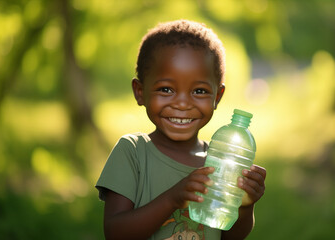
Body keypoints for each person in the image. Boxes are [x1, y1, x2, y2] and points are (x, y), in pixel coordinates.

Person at [96, 19, 266, 240]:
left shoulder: (219, 164)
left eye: (199, 91)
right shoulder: (133, 152)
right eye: (166, 89)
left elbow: (229, 237)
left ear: (218, 97)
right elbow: (115, 233)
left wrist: (244, 206)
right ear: (140, 91)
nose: (183, 104)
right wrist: (173, 198)